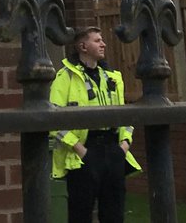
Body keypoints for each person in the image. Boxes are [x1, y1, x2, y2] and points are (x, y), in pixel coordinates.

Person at [49, 27, 141, 223]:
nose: (103, 44)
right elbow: (53, 120)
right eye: (97, 40)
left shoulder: (113, 77)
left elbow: (125, 115)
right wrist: (80, 149)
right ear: (83, 46)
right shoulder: (65, 77)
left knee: (114, 214)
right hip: (83, 154)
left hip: (113, 150)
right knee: (80, 213)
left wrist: (124, 146)